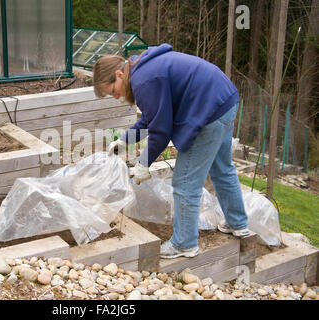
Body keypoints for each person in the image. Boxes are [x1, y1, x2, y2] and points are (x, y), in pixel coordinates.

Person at [93, 43, 250, 259]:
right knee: (222, 169)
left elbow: (161, 130)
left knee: (185, 183)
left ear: (119, 74)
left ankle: (184, 243)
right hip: (224, 100)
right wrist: (124, 140)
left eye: (112, 91)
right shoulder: (143, 70)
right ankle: (238, 223)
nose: (116, 96)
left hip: (209, 112)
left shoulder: (143, 80)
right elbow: (151, 118)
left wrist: (143, 163)